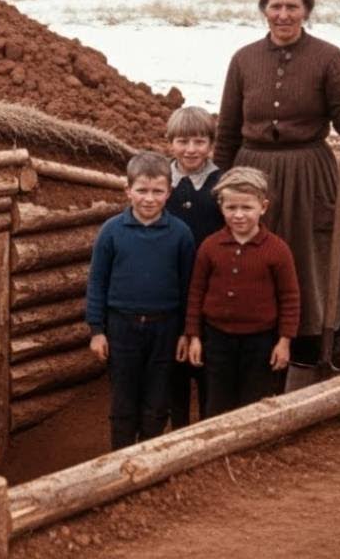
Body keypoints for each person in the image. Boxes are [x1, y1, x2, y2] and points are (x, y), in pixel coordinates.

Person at [214, 0, 340, 367]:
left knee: (309, 259)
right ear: (264, 9)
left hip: (309, 174)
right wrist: (220, 183)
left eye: (292, 7)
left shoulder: (328, 57)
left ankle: (311, 345)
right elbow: (228, 129)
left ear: (307, 11)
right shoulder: (244, 59)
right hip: (254, 172)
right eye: (275, 6)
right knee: (253, 250)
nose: (283, 14)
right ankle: (256, 340)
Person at [85, 151, 196, 449]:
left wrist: (187, 332)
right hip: (122, 326)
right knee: (124, 396)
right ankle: (120, 458)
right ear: (128, 190)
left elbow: (189, 287)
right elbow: (97, 282)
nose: (149, 198)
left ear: (169, 193)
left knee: (158, 398)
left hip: (166, 328)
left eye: (157, 191)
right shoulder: (111, 232)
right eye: (142, 190)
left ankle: (149, 455)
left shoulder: (181, 234)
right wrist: (97, 331)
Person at [184, 167, 300, 417]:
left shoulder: (278, 250)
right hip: (216, 339)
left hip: (260, 342)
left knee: (254, 403)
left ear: (263, 207)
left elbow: (290, 298)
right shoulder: (210, 247)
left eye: (247, 208)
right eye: (231, 208)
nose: (239, 215)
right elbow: (196, 293)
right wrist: (194, 336)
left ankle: (250, 452)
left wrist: (284, 341)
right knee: (215, 401)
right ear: (221, 207)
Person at [164, 106, 224, 428]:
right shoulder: (162, 184)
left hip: (210, 287)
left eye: (199, 142)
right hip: (172, 286)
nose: (191, 150)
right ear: (170, 143)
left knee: (207, 362)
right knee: (175, 363)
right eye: (183, 141)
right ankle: (178, 430)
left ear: (211, 145)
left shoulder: (220, 183)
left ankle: (208, 429)